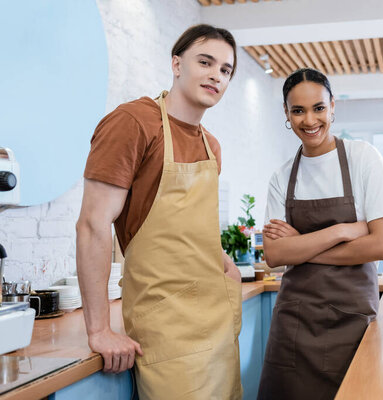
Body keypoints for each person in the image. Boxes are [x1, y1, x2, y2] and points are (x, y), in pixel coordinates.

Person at [76, 24, 242, 399]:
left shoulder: (211, 146)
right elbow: (92, 225)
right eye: (206, 61)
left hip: (219, 323)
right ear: (176, 64)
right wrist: (99, 330)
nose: (216, 74)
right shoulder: (134, 123)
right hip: (167, 330)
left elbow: (194, 231)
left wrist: (224, 265)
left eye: (226, 70)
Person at [257, 68, 383, 400]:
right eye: (298, 110)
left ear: (333, 107)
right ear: (287, 113)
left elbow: (382, 244)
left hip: (352, 323)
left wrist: (301, 246)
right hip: (293, 323)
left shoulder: (363, 159)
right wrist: (341, 231)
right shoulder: (282, 178)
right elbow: (275, 256)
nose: (309, 120)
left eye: (318, 108)